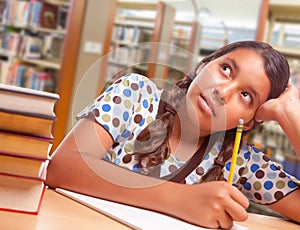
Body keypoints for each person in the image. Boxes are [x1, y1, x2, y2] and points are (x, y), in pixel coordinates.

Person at [46, 40, 300, 229]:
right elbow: (63, 166)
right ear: (203, 64)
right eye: (225, 69)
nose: (223, 92)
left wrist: (289, 114)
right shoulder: (136, 93)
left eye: (246, 96)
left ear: (253, 119)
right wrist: (180, 200)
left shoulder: (239, 159)